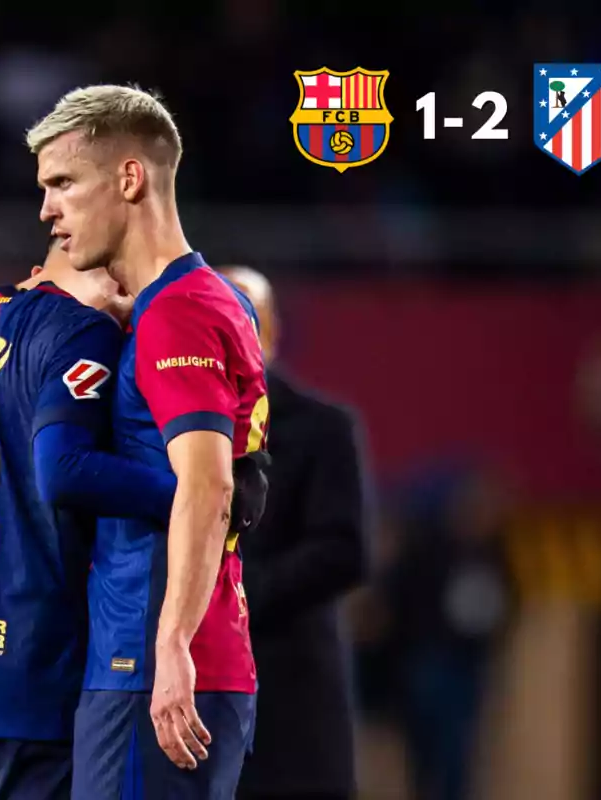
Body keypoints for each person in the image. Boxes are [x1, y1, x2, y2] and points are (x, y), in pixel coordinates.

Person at [0, 238, 269, 799]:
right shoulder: (83, 334)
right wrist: (197, 492)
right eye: (122, 289)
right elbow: (67, 467)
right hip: (30, 689)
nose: (130, 310)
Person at [27, 85, 269, 799]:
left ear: (129, 178)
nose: (47, 210)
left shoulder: (178, 319)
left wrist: (169, 648)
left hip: (153, 662)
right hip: (178, 654)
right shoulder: (208, 302)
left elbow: (211, 483)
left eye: (64, 183)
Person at [221, 266, 371, 800]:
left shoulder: (322, 427)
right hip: (197, 693)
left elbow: (345, 550)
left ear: (271, 333)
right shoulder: (165, 430)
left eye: (246, 320)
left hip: (290, 691)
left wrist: (237, 597)